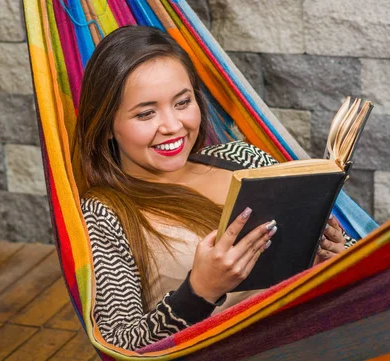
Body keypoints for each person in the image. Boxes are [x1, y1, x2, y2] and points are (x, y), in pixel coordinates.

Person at [74, 26, 354, 351]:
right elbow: (119, 345)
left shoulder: (239, 156)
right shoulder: (105, 211)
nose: (173, 126)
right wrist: (198, 292)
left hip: (320, 337)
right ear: (108, 124)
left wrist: (338, 255)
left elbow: (350, 259)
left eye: (182, 102)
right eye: (146, 113)